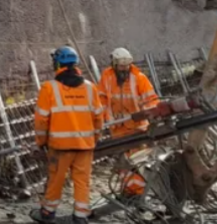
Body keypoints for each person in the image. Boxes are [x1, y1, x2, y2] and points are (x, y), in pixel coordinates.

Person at [32, 46, 104, 224]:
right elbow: (98, 118)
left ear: (57, 64)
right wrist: (94, 139)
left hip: (60, 146)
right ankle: (80, 216)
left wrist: (41, 142)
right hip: (85, 146)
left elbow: (41, 121)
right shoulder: (90, 88)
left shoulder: (49, 88)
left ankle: (48, 213)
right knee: (82, 181)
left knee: (56, 180)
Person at [98, 47, 160, 201]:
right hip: (117, 127)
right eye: (121, 66)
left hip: (137, 127)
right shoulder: (107, 76)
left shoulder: (139, 78)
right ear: (114, 64)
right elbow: (102, 98)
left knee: (138, 160)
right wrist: (103, 117)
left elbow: (151, 99)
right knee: (123, 161)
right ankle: (127, 190)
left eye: (126, 66)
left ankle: (138, 192)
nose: (124, 69)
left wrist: (148, 112)